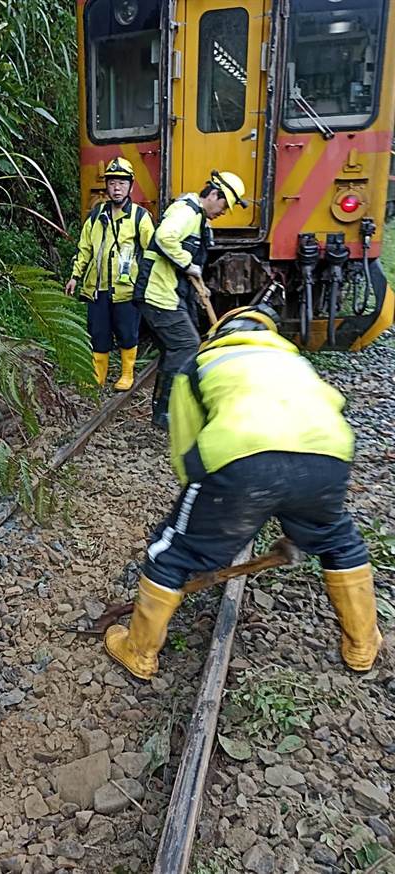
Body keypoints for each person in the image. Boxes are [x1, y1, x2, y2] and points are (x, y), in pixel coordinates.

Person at [104, 304, 382, 679]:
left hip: (240, 458)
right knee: (340, 543)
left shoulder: (202, 364)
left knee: (171, 552)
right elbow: (329, 409)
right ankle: (362, 648)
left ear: (219, 333)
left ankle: (139, 652)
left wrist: (206, 508)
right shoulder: (293, 360)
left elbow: (186, 446)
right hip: (328, 455)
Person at [133, 170, 247, 429]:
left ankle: (165, 410)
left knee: (174, 348)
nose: (224, 212)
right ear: (214, 194)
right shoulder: (186, 212)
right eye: (224, 206)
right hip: (156, 292)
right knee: (186, 344)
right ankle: (166, 413)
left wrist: (199, 286)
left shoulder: (199, 219)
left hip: (170, 292)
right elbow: (164, 237)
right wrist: (188, 265)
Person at [65, 157, 154, 390]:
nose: (116, 188)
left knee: (127, 332)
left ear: (130, 186)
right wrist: (75, 276)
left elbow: (151, 251)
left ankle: (127, 374)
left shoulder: (139, 217)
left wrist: (148, 284)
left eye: (122, 183)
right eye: (113, 183)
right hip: (98, 288)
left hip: (127, 289)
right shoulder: (96, 216)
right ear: (107, 186)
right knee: (99, 333)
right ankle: (98, 375)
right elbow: (84, 248)